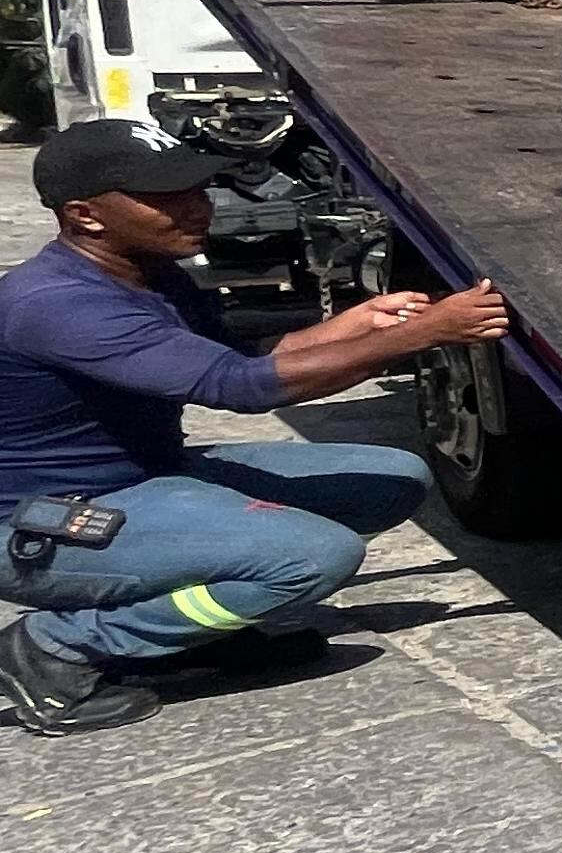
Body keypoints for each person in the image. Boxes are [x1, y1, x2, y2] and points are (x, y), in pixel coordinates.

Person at [0, 120, 517, 735]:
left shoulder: (146, 271)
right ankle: (59, 646)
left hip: (145, 475)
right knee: (314, 556)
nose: (198, 206)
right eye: (167, 197)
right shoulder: (59, 306)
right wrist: (423, 334)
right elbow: (241, 390)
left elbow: (241, 358)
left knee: (390, 477)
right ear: (86, 215)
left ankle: (185, 634)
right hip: (46, 520)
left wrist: (359, 324)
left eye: (196, 187)